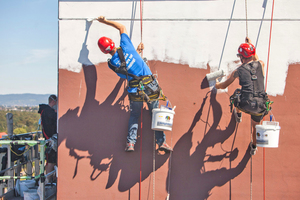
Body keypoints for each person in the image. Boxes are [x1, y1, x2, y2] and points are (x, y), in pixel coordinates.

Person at [97, 16, 172, 153]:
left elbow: (126, 71)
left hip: (134, 91)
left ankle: (130, 143)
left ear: (104, 51)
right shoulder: (126, 46)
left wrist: (136, 52)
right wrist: (105, 21)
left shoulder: (112, 64)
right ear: (113, 43)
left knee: (134, 116)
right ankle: (161, 142)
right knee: (155, 113)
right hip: (150, 87)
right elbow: (121, 28)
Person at [215, 37, 270, 155]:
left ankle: (238, 114)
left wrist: (217, 84)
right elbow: (256, 58)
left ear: (241, 57)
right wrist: (249, 45)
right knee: (255, 127)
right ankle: (254, 147)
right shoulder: (261, 64)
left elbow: (224, 85)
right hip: (260, 106)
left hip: (246, 104)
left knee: (237, 95)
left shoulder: (238, 71)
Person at [38, 94, 57, 181]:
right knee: (51, 161)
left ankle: (50, 180)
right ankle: (48, 181)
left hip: (49, 139)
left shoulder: (45, 111)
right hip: (50, 140)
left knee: (52, 161)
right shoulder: (49, 112)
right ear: (53, 102)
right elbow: (55, 120)